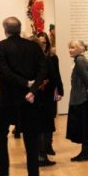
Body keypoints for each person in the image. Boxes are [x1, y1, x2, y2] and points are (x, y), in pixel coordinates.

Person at [0, 17, 46, 176]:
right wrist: (32, 88)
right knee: (31, 136)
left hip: (9, 99)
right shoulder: (33, 46)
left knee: (1, 134)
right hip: (29, 98)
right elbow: (44, 69)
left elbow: (4, 72)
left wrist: (25, 84)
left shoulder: (0, 46)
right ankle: (34, 175)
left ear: (5, 29)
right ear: (20, 28)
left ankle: (3, 174)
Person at [65, 39, 88, 161]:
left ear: (81, 48)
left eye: (73, 47)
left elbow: (87, 79)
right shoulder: (80, 60)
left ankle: (86, 152)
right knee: (85, 126)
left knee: (84, 126)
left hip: (81, 99)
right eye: (69, 47)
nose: (70, 50)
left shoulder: (80, 61)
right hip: (81, 97)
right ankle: (87, 151)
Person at [33, 30, 63, 165]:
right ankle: (41, 153)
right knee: (42, 124)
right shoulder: (35, 58)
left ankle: (46, 148)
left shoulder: (52, 57)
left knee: (49, 121)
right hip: (39, 95)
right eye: (40, 43)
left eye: (45, 43)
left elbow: (56, 75)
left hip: (49, 93)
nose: (43, 45)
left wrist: (59, 90)